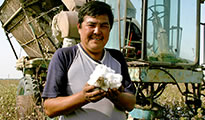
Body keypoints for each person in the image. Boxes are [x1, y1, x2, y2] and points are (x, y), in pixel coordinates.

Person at [42, 1, 136, 120]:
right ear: (79, 28)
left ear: (110, 29)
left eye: (103, 26)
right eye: (91, 25)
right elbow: (49, 108)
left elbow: (131, 103)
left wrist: (115, 96)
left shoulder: (117, 57)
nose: (97, 31)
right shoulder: (65, 56)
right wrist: (83, 97)